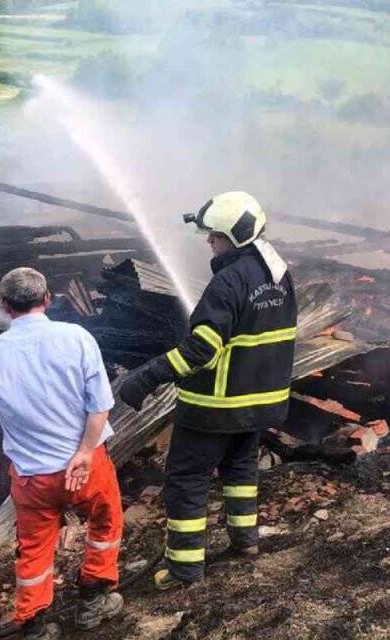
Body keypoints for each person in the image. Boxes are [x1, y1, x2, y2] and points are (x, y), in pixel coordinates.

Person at [118, 191, 297, 591]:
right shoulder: (280, 275)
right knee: (240, 470)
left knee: (187, 479)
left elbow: (201, 348)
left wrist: (147, 377)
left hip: (215, 406)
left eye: (213, 236)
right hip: (259, 403)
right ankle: (245, 542)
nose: (208, 242)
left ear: (232, 238)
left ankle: (184, 569)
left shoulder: (228, 282)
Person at [0, 267, 124, 640]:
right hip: (86, 466)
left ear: (5, 306)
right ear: (47, 299)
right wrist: (82, 453)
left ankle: (34, 624)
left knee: (34, 549)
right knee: (106, 522)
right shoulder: (76, 338)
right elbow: (100, 406)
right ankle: (93, 600)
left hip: (33, 478)